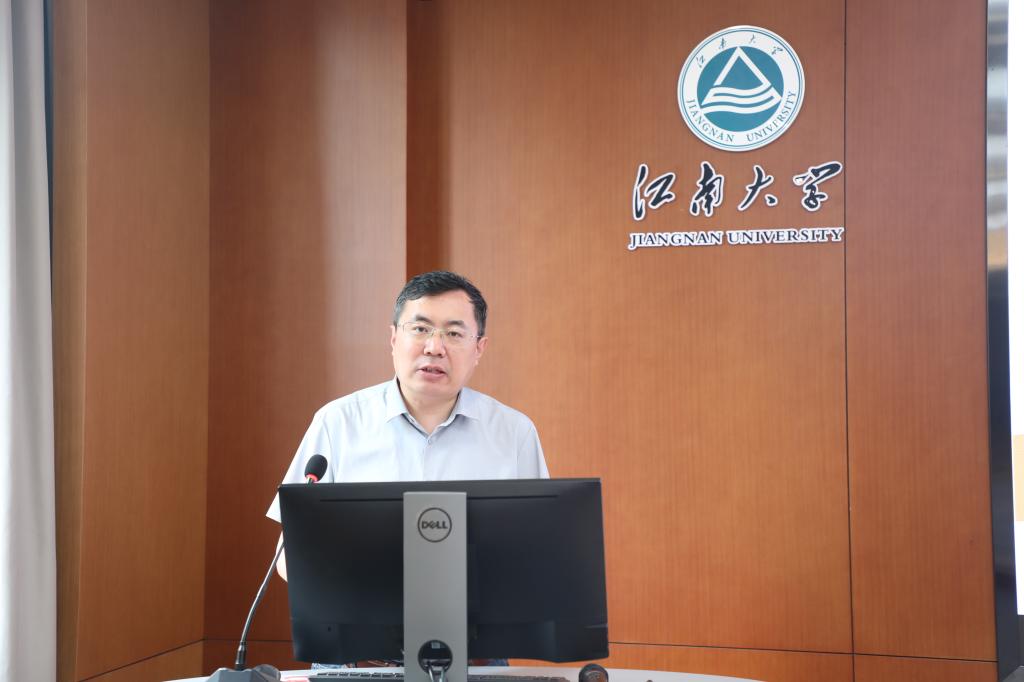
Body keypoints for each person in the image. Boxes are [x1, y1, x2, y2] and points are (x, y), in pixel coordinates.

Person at [266, 270, 549, 580]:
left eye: (454, 334)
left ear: (479, 348)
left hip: (483, 608)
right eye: (420, 329)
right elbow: (289, 555)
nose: (434, 347)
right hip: (364, 604)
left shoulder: (514, 434)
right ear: (394, 339)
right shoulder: (338, 424)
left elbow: (540, 545)